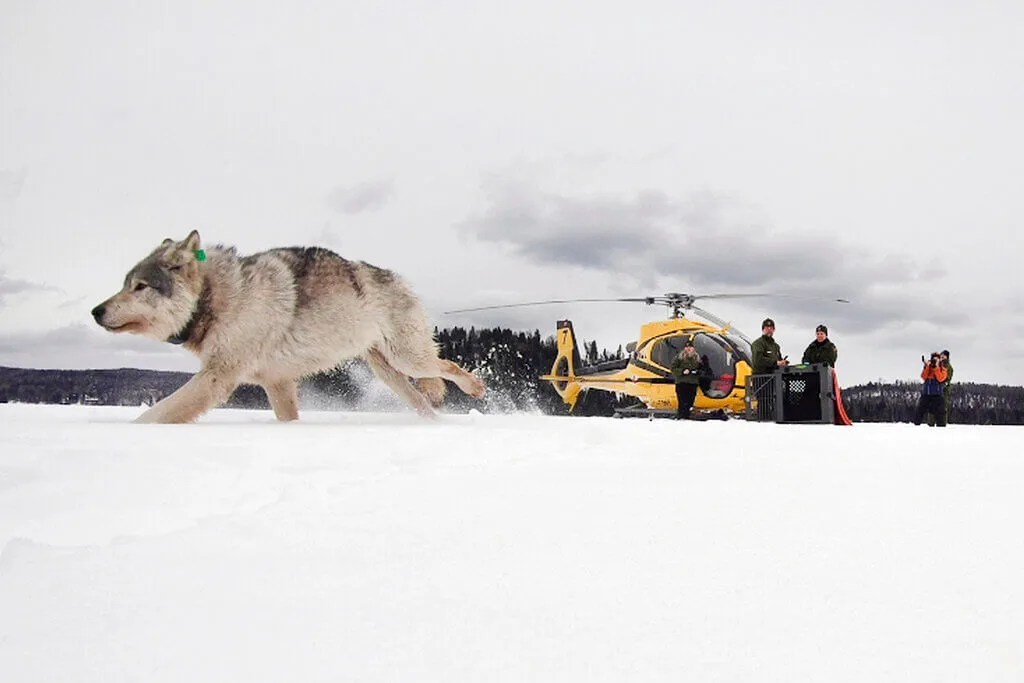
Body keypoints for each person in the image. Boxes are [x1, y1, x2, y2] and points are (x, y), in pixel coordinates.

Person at [914, 352, 949, 427]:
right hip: (926, 394)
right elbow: (923, 376)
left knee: (940, 414)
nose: (934, 361)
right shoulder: (928, 368)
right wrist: (927, 366)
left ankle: (941, 429)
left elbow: (940, 378)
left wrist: (936, 367)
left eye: (936, 359)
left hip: (937, 395)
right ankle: (916, 426)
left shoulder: (942, 368)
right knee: (920, 410)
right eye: (933, 359)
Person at [670, 338, 701, 419]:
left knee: (690, 400)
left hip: (693, 383)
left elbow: (702, 369)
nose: (688, 349)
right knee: (682, 401)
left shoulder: (697, 358)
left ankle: (688, 415)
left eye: (690, 347)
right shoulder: (679, 357)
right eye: (687, 347)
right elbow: (673, 368)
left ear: (694, 348)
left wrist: (698, 372)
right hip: (682, 383)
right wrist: (682, 371)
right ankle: (681, 416)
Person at [928, 350, 954, 426]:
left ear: (947, 357)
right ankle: (931, 423)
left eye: (943, 356)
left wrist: (942, 384)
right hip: (935, 389)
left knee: (942, 408)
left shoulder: (948, 367)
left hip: (944, 390)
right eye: (941, 356)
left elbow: (947, 379)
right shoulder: (938, 365)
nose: (942, 358)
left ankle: (942, 424)